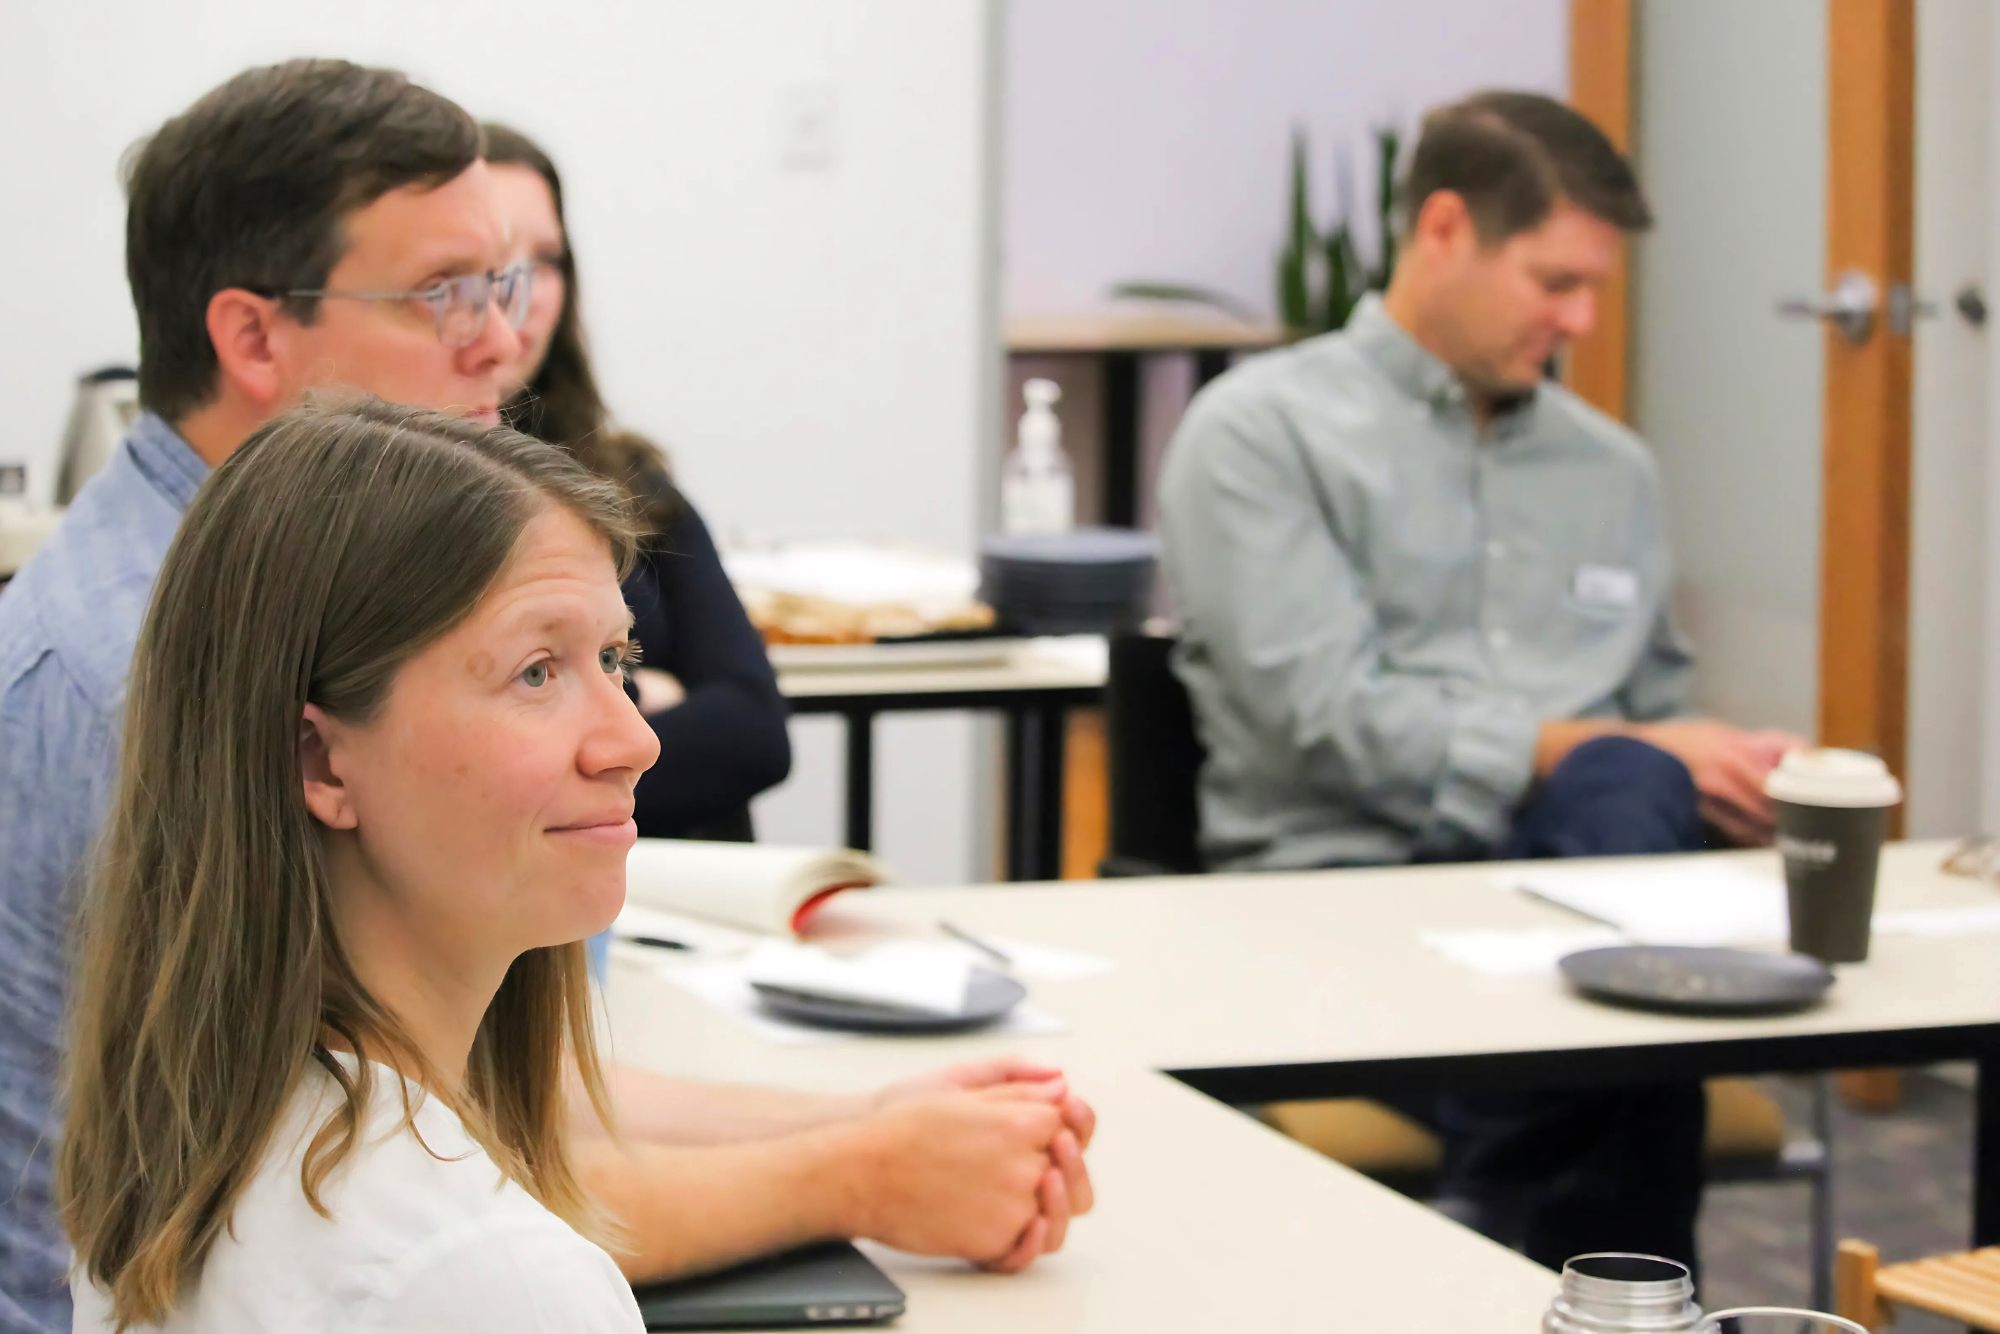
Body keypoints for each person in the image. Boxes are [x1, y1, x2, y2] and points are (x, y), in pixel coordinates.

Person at [0, 60, 1089, 1333]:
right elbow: (481, 1205)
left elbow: (489, 1091)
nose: (503, 338)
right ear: (250, 335)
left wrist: (872, 1119)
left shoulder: (226, 605)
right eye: (442, 293)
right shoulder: (141, 675)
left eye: (509, 283)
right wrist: (866, 1169)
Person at [1157, 91, 1800, 1273]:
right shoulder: (1259, 432)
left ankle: (1484, 1223)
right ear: (1443, 228)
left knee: (1625, 864)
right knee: (1639, 1047)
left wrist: (1725, 766)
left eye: (1595, 288)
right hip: (1344, 919)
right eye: (1555, 281)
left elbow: (1652, 708)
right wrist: (1597, 749)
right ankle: (1590, 1275)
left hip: (1588, 896)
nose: (1582, 319)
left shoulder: (1610, 469)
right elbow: (1325, 718)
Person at [63, 399, 659, 1332]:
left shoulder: (177, 1159)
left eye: (616, 657)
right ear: (322, 762)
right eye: (536, 671)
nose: (633, 740)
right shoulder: (487, 1279)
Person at [483, 123, 790, 842]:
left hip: (694, 900)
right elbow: (472, 782)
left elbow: (755, 732)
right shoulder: (401, 499)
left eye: (548, 261)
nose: (522, 298)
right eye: (493, 263)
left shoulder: (626, 477)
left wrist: (575, 732)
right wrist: (645, 697)